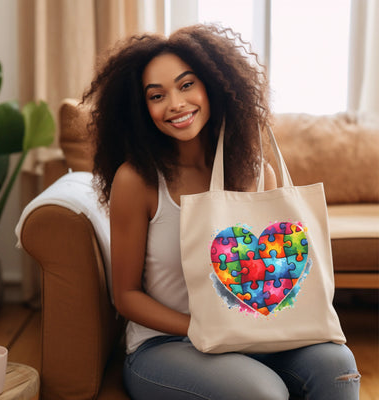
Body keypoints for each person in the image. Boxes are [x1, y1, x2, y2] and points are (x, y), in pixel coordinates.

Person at [83, 24, 360, 400]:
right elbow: (126, 295)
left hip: (257, 335)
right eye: (156, 95)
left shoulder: (256, 170)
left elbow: (266, 273)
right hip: (168, 345)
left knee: (337, 366)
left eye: (186, 85)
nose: (176, 104)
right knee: (263, 393)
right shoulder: (137, 180)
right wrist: (205, 325)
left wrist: (248, 325)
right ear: (141, 108)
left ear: (213, 85)